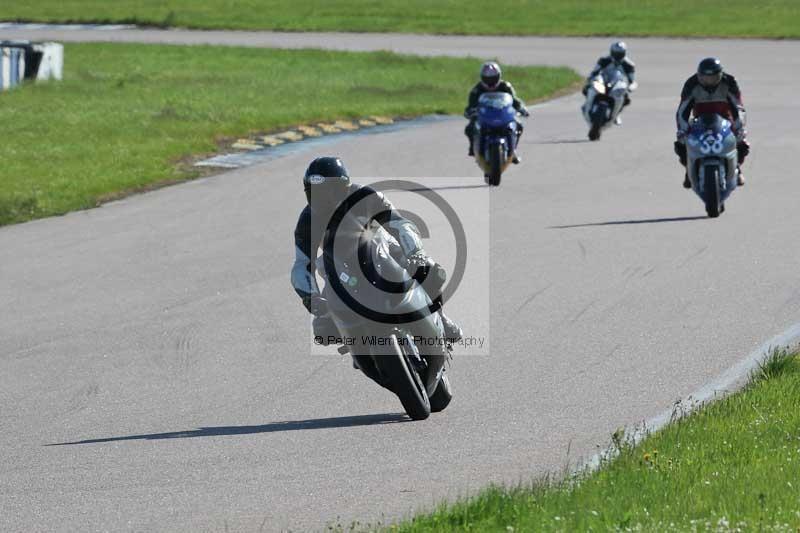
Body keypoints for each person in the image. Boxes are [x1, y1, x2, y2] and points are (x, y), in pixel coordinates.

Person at [291, 156, 463, 344]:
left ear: (344, 187)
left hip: (382, 251)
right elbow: (302, 264)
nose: (324, 200)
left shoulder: (365, 196)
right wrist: (312, 297)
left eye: (330, 192)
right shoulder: (307, 221)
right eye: (316, 193)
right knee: (323, 330)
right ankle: (361, 350)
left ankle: (441, 318)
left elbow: (399, 224)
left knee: (429, 270)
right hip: (341, 271)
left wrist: (415, 253)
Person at [674, 57, 749, 188]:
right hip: (699, 121)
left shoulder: (729, 82)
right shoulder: (691, 84)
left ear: (720, 75)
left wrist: (739, 126)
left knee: (742, 143)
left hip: (725, 120)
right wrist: (683, 129)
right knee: (681, 144)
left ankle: (737, 168)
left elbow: (738, 107)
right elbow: (682, 110)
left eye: (713, 78)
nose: (709, 81)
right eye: (705, 78)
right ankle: (688, 170)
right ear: (699, 76)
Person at [464, 61, 529, 163]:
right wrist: (470, 111)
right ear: (482, 77)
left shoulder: (505, 86)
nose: (490, 82)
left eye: (493, 78)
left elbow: (514, 100)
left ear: (499, 76)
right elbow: (471, 105)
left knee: (519, 125)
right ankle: (473, 148)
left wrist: (521, 108)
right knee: (469, 128)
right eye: (487, 79)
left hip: (503, 115)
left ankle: (513, 150)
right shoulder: (477, 90)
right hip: (484, 116)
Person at [582, 41, 637, 125]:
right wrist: (590, 79)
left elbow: (632, 80)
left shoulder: (629, 64)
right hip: (604, 80)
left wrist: (631, 87)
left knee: (626, 98)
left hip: (617, 83)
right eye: (616, 53)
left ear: (624, 53)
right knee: (587, 89)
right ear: (611, 51)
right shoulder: (604, 60)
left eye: (620, 53)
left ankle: (616, 114)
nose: (617, 55)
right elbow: (595, 72)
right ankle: (587, 106)